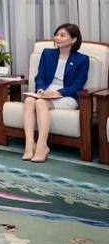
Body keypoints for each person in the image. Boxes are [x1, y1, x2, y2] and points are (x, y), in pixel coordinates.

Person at [22, 23, 89, 162]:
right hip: (46, 92)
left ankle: (42, 146)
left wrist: (57, 93)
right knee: (29, 101)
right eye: (57, 34)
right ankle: (29, 144)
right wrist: (41, 89)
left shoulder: (82, 60)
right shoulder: (47, 54)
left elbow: (78, 86)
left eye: (62, 35)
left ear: (74, 40)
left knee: (40, 103)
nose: (57, 38)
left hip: (67, 95)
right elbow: (39, 76)